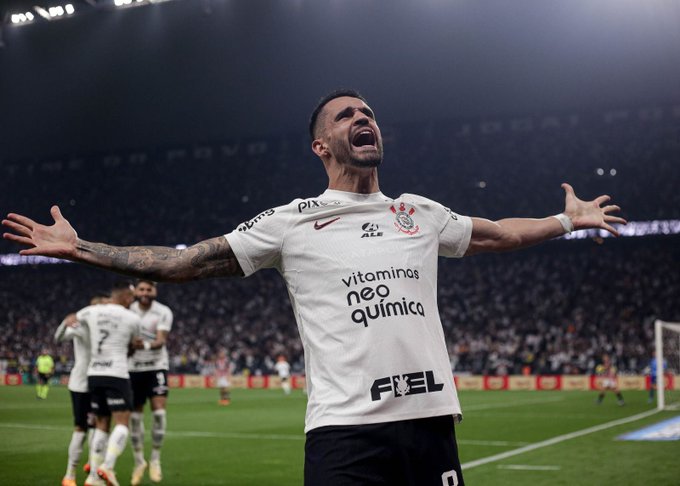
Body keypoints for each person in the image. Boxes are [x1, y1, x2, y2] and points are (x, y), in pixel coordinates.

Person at [2, 89, 626, 485]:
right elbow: (183, 263)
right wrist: (79, 248)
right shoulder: (291, 222)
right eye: (347, 114)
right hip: (344, 434)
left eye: (370, 112)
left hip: (429, 423)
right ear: (321, 143)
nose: (365, 118)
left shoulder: (417, 211)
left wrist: (567, 219)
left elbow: (499, 235)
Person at [75, 281, 142, 486]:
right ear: (125, 296)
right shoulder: (132, 317)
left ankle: (94, 476)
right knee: (122, 423)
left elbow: (74, 319)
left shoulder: (91, 311)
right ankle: (108, 466)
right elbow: (132, 348)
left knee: (101, 425)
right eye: (131, 296)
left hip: (95, 373)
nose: (133, 300)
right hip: (116, 373)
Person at [127, 279, 174, 485]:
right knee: (135, 419)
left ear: (155, 291)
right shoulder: (127, 311)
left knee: (159, 414)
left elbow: (160, 341)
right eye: (142, 289)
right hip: (132, 368)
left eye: (149, 289)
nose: (145, 292)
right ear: (135, 291)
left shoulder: (163, 311)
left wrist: (141, 345)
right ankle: (139, 462)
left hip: (156, 367)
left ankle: (155, 459)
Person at [55, 307, 95, 486]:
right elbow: (58, 338)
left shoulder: (109, 326)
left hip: (101, 381)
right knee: (81, 428)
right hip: (80, 383)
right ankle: (70, 474)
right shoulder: (80, 327)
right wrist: (65, 322)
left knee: (99, 426)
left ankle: (93, 467)